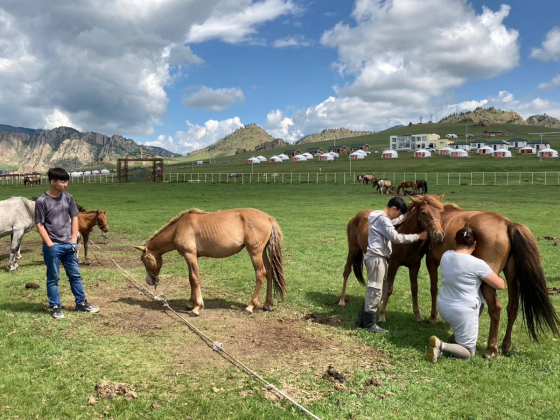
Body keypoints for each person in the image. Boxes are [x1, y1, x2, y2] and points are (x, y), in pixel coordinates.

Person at [426, 228, 505, 362]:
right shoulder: (478, 264)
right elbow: (500, 285)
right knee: (468, 352)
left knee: (479, 305)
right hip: (463, 312)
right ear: (474, 245)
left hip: (444, 307)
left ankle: (457, 335)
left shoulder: (446, 255)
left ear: (455, 243)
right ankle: (441, 345)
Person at [356, 197, 428, 333]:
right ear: (393, 208)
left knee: (380, 287)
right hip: (377, 257)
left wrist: (407, 214)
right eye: (399, 213)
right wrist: (418, 237)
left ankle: (361, 319)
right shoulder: (383, 219)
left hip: (376, 257)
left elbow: (394, 221)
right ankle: (369, 324)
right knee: (376, 289)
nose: (399, 216)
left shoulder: (378, 216)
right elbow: (396, 237)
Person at [35, 167, 99, 319]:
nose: (65, 185)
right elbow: (39, 225)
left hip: (69, 245)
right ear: (53, 182)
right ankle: (55, 306)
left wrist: (73, 240)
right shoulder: (42, 201)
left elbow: (74, 217)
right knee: (53, 278)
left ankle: (81, 303)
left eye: (66, 181)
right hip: (53, 247)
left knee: (75, 276)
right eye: (63, 182)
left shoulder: (68, 198)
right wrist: (50, 244)